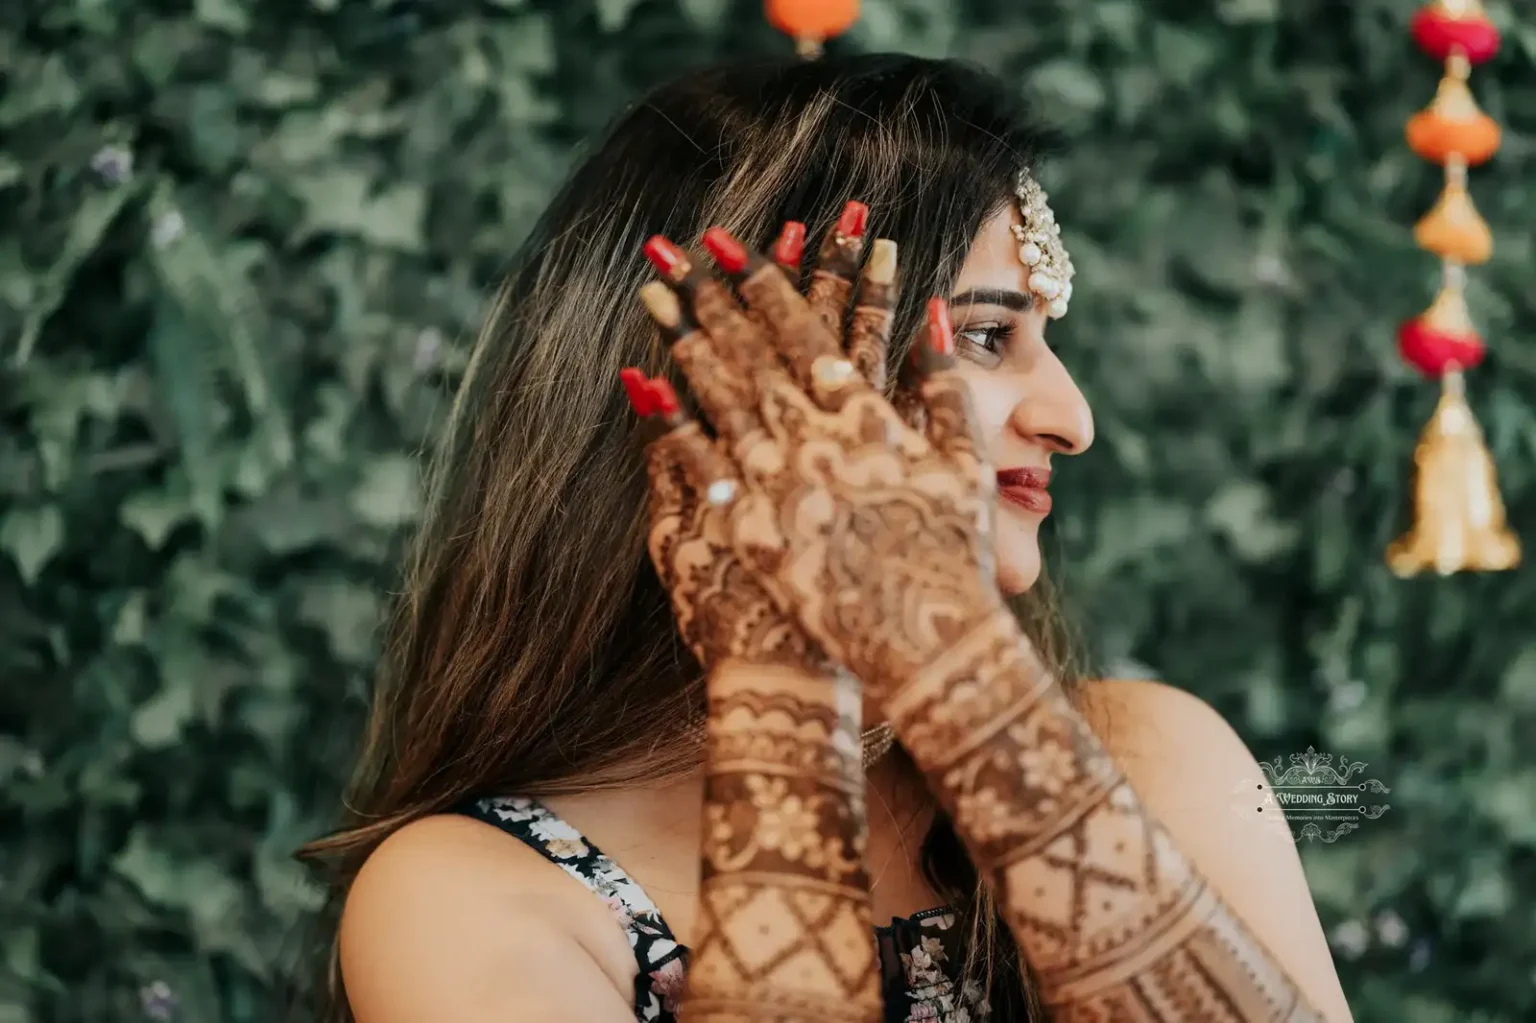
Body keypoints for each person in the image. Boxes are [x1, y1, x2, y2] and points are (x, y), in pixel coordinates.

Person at [302, 54, 1354, 1022]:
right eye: (988, 338)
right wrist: (783, 704)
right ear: (731, 376)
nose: (1073, 419)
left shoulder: (1152, 757)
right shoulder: (471, 897)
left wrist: (964, 678)